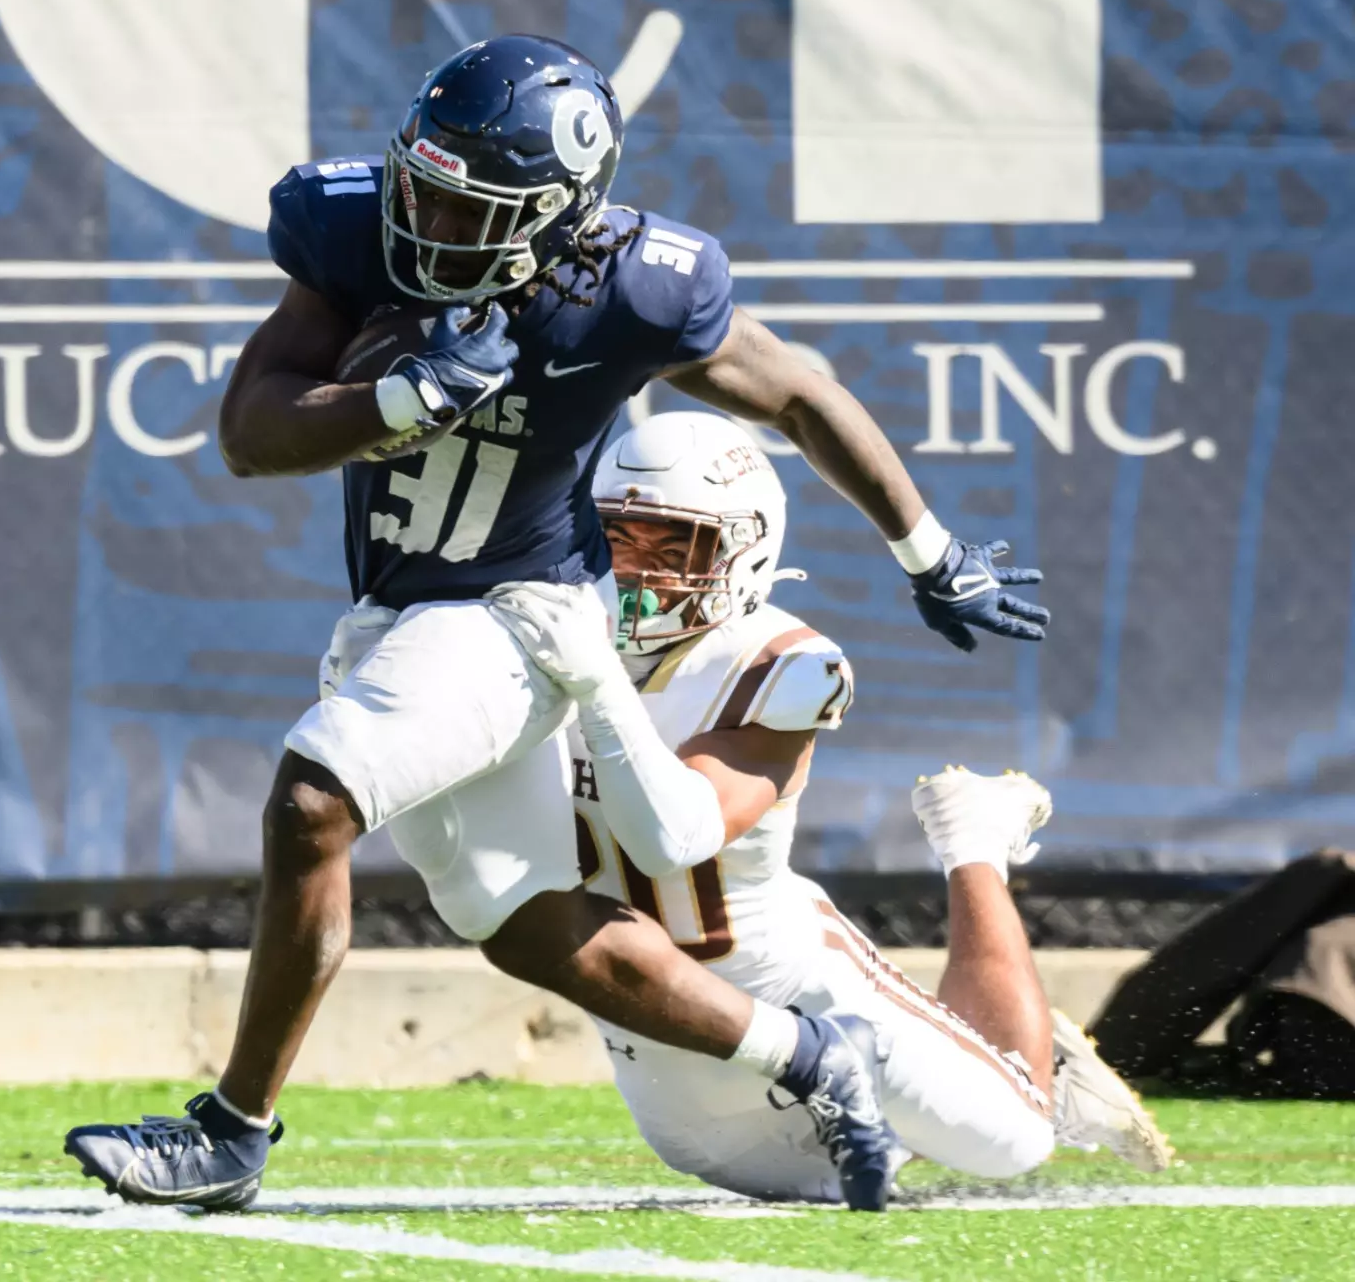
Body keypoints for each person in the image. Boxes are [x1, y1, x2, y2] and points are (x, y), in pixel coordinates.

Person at [65, 34, 1049, 1211]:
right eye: (421, 183)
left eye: (469, 204)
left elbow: (794, 391)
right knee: (527, 927)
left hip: (514, 611)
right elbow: (250, 430)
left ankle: (230, 1134)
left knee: (314, 799)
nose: (426, 219)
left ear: (560, 212)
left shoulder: (634, 286)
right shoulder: (348, 230)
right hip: (398, 613)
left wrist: (927, 551)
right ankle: (806, 1055)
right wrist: (394, 398)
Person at [478, 412, 1170, 1203]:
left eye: (679, 546)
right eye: (624, 538)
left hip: (798, 988)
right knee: (830, 1181)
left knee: (1014, 1141)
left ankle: (971, 844)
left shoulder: (784, 663)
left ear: (746, 551)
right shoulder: (544, 623)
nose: (645, 572)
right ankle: (959, 1051)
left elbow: (674, 836)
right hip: (654, 1038)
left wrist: (596, 687)